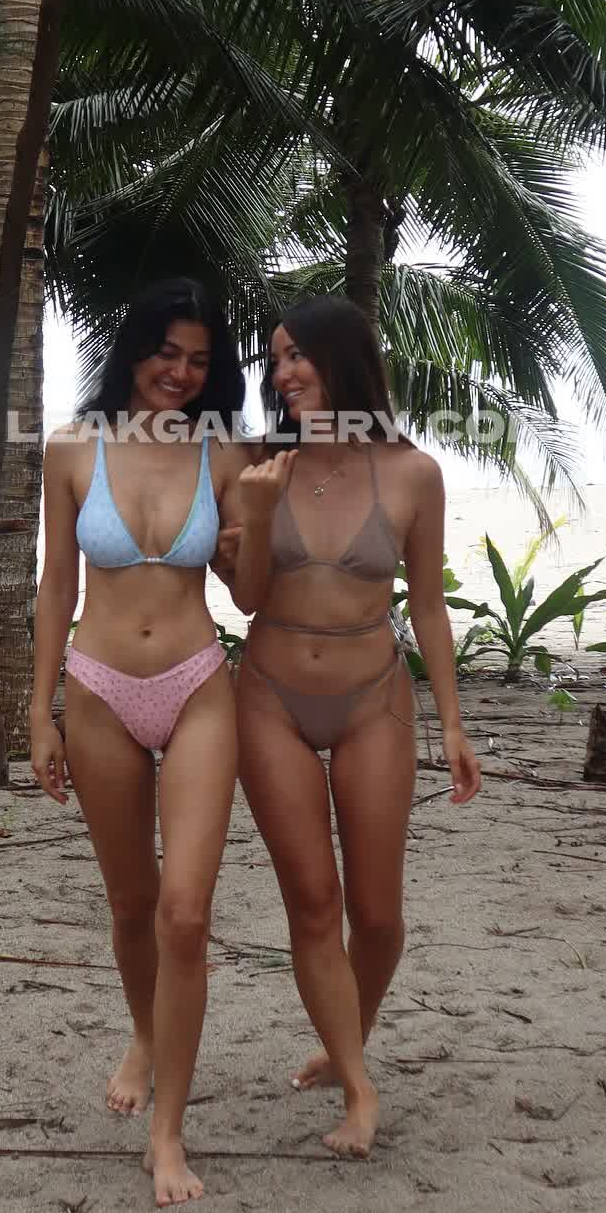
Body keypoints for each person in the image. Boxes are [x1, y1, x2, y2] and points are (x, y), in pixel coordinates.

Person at [226, 295, 481, 1160]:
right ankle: (360, 1087)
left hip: (375, 698)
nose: (282, 374)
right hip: (270, 699)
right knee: (313, 903)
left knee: (376, 916)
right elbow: (246, 599)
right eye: (275, 360)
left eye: (297, 355)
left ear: (343, 362)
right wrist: (257, 515)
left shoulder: (413, 474)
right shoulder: (260, 465)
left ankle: (346, 1043)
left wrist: (453, 723)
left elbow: (431, 606)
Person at [28, 277, 250, 1208]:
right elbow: (56, 585)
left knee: (185, 915)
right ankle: (147, 1035)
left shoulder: (226, 452)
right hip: (99, 690)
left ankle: (169, 1134)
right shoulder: (72, 447)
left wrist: (247, 540)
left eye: (199, 360)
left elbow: (249, 594)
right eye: (166, 352)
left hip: (198, 684)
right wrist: (38, 709)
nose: (181, 373)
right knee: (131, 904)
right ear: (133, 350)